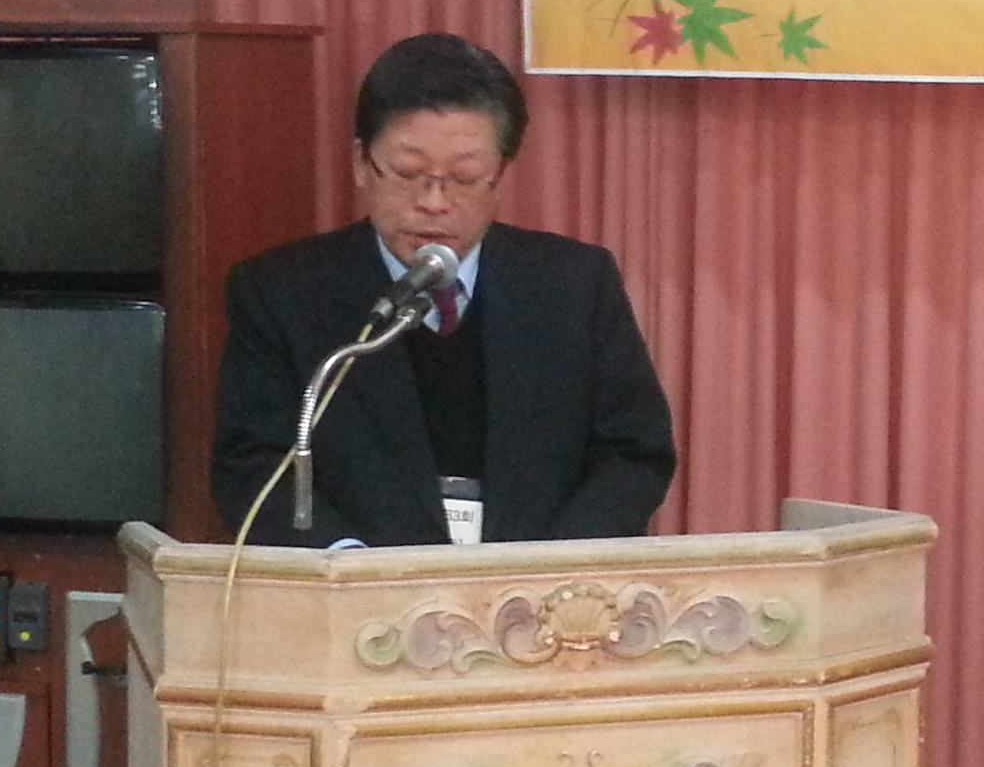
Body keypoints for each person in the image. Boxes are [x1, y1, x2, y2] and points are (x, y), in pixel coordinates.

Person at [212, 34, 675, 547]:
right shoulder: (282, 294)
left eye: (465, 177)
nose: (433, 202)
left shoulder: (575, 284)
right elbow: (254, 467)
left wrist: (553, 565)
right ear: (362, 163)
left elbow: (634, 453)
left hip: (538, 582)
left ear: (500, 175)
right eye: (408, 173)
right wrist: (346, 565)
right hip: (360, 585)